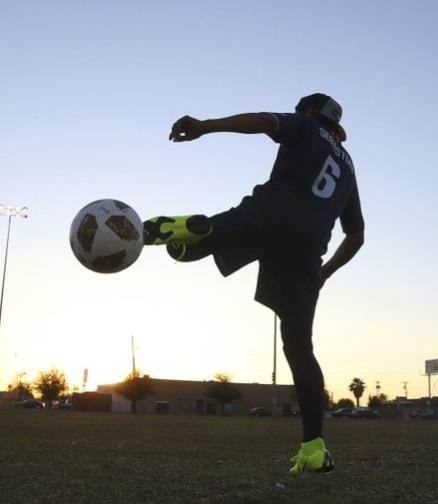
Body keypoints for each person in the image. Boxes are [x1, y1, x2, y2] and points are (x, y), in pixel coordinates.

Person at [142, 93, 364, 474]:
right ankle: (314, 448)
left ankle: (193, 233)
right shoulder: (349, 167)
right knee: (299, 347)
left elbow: (264, 121)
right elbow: (356, 235)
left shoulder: (305, 125)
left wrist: (206, 126)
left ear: (308, 112)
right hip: (308, 252)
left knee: (214, 237)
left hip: (269, 215)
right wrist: (324, 273)